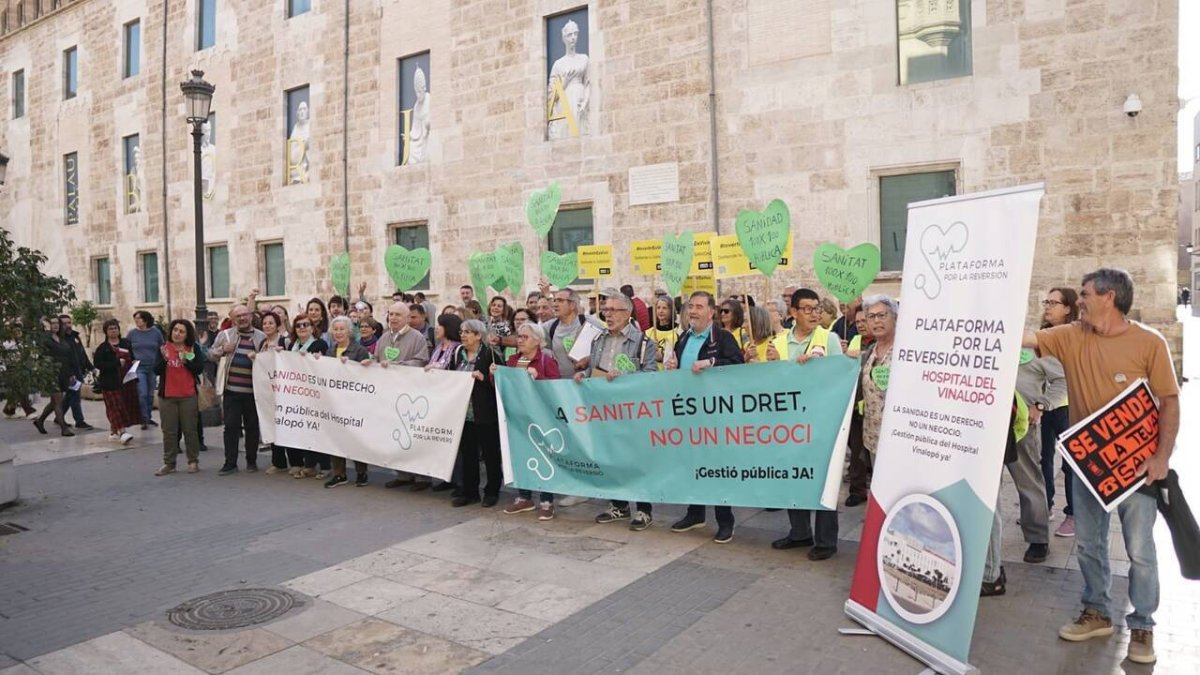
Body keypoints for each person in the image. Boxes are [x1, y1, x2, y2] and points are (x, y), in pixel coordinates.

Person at [1023, 269, 1179, 665]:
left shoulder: (1149, 342)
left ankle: (1142, 625)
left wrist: (1161, 457)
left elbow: (1169, 401)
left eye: (1085, 293)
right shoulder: (1071, 336)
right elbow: (1024, 339)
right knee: (1089, 544)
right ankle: (1097, 612)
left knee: (1140, 550)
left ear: (1109, 297)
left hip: (1137, 468)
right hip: (1086, 464)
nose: (1080, 301)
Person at [666, 291, 744, 543]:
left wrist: (711, 362)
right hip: (687, 413)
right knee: (691, 465)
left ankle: (725, 521)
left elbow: (737, 364)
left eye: (699, 306)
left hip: (714, 415)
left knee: (717, 468)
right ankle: (695, 513)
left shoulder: (722, 337)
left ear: (712, 312)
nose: (693, 311)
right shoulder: (683, 338)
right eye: (690, 306)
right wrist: (672, 367)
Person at [770, 288, 843, 559]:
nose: (814, 314)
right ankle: (800, 532)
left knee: (825, 479)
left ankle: (826, 540)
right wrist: (764, 364)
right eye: (808, 309)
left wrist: (815, 369)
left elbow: (839, 377)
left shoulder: (829, 339)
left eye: (817, 308)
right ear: (793, 313)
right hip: (787, 424)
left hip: (821, 421)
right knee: (793, 476)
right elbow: (767, 383)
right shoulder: (777, 343)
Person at [578, 292, 658, 530]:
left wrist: (626, 377)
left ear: (628, 313)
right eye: (606, 310)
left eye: (613, 310)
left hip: (632, 411)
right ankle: (619, 505)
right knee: (611, 457)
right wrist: (584, 375)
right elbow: (594, 369)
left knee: (636, 460)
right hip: (604, 410)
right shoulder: (598, 340)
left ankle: (644, 510)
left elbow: (651, 376)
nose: (608, 314)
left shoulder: (644, 343)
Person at [498, 322, 561, 520]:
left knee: (544, 457)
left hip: (540, 417)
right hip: (517, 416)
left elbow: (556, 387)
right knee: (520, 456)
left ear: (537, 341)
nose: (519, 340)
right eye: (519, 336)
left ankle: (546, 500)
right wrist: (495, 375)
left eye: (525, 337)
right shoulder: (513, 360)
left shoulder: (545, 360)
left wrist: (538, 377)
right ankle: (524, 497)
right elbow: (502, 385)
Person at [376, 302, 433, 490]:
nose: (393, 318)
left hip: (412, 395)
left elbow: (421, 361)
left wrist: (398, 365)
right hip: (390, 393)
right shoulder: (384, 337)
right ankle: (402, 474)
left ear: (407, 317)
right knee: (395, 434)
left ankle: (422, 477)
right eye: (390, 314)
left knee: (413, 435)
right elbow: (377, 359)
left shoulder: (418, 338)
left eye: (398, 315)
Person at [1039, 288, 1078, 538]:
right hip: (1041, 406)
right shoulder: (1040, 336)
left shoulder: (1074, 336)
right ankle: (1045, 506)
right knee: (1042, 458)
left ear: (1068, 308)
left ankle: (1073, 514)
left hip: (1066, 406)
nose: (1047, 306)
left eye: (1054, 302)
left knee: (1069, 465)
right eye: (1047, 302)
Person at [210, 305, 266, 475]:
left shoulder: (261, 336)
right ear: (233, 319)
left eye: (244, 315)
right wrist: (222, 350)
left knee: (252, 427)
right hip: (231, 391)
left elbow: (267, 361)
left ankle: (251, 461)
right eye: (238, 316)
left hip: (253, 392)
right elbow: (210, 354)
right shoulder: (225, 335)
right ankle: (230, 462)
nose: (242, 318)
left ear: (251, 316)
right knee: (231, 427)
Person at [454, 319, 504, 507]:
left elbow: (500, 383)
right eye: (461, 332)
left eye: (467, 332)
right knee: (468, 454)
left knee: (490, 454)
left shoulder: (490, 354)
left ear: (478, 335)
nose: (463, 335)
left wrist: (484, 379)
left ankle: (492, 491)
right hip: (465, 414)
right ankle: (470, 491)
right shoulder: (459, 354)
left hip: (485, 413)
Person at [321, 316, 374, 488]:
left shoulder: (359, 351)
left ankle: (361, 472)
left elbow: (363, 376)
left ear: (349, 331)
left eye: (342, 329)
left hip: (354, 402)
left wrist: (350, 364)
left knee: (355, 437)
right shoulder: (330, 351)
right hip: (335, 402)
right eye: (335, 329)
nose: (338, 333)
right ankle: (339, 473)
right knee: (336, 437)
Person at [278, 315, 329, 478]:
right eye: (298, 325)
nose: (302, 328)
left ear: (313, 328)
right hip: (297, 394)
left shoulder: (319, 344)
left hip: (315, 393)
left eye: (306, 325)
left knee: (318, 430)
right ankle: (309, 464)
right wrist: (281, 355)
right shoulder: (292, 345)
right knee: (304, 430)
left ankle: (325, 466)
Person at [153, 320, 205, 476]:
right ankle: (169, 463)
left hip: (188, 395)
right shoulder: (163, 348)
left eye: (181, 331)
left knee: (190, 430)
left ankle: (193, 461)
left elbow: (199, 368)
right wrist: (164, 359)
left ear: (187, 334)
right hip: (168, 396)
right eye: (175, 330)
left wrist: (186, 361)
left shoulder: (193, 348)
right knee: (169, 431)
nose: (177, 333)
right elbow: (156, 370)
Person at [859, 295, 897, 463]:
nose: (876, 321)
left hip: (899, 439)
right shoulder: (869, 353)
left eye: (882, 315)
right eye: (871, 317)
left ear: (895, 317)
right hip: (873, 438)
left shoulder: (906, 352)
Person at [93, 319, 139, 445]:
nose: (113, 330)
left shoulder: (125, 343)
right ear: (106, 332)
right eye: (110, 329)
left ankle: (114, 431)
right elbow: (98, 364)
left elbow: (132, 356)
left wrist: (134, 362)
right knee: (115, 406)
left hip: (126, 380)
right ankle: (122, 432)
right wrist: (116, 363)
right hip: (110, 382)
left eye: (115, 328)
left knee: (123, 405)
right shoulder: (103, 348)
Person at [33, 317, 75, 437]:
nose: (55, 325)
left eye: (57, 323)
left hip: (64, 372)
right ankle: (63, 428)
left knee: (54, 402)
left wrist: (71, 373)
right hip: (51, 373)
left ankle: (40, 421)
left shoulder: (61, 338)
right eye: (52, 323)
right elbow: (41, 355)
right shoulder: (44, 339)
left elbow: (68, 357)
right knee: (58, 400)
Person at [127, 310, 164, 429]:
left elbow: (162, 347)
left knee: (150, 394)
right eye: (135, 319)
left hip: (152, 366)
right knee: (142, 393)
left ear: (146, 319)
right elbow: (127, 348)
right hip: (139, 367)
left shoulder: (156, 332)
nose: (137, 321)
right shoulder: (132, 334)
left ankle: (148, 416)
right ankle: (143, 418)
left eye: (139, 318)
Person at [58, 313, 94, 430]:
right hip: (69, 373)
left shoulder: (75, 336)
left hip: (78, 371)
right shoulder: (60, 340)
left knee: (70, 396)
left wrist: (91, 367)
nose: (67, 325)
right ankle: (79, 421)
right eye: (64, 324)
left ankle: (59, 416)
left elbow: (82, 353)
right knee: (75, 396)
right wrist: (69, 374)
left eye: (69, 323)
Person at [644, 296, 679, 370]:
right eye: (658, 308)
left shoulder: (678, 332)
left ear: (671, 310)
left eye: (664, 308)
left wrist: (662, 357)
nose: (661, 311)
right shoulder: (648, 333)